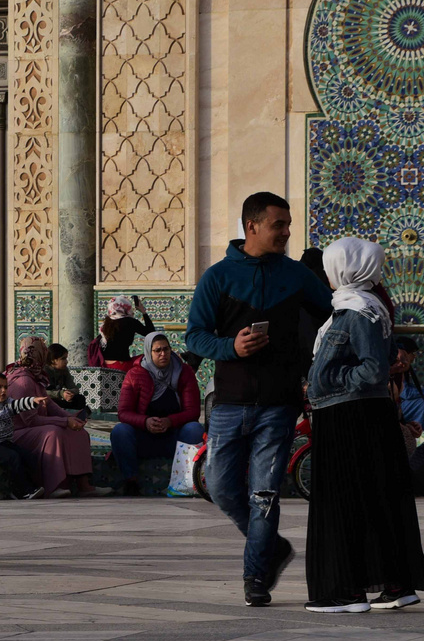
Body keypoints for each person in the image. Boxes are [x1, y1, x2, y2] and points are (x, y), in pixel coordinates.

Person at [186, 191, 333, 608]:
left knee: (265, 493)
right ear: (252, 227)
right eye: (279, 225)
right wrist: (232, 346)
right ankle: (272, 548)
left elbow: (330, 317)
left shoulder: (296, 275)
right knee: (218, 485)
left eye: (287, 225)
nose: (287, 233)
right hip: (230, 403)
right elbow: (195, 335)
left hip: (279, 402)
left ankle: (255, 577)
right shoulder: (217, 277)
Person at [303, 237, 424, 612]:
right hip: (354, 413)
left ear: (345, 268)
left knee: (344, 501)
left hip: (348, 415)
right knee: (373, 498)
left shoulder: (358, 311)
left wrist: (328, 381)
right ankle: (394, 584)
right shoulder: (360, 307)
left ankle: (346, 592)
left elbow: (373, 368)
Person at [5, 337, 105, 497]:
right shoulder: (23, 381)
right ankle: (53, 486)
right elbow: (30, 420)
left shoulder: (35, 377)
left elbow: (49, 404)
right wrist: (65, 421)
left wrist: (72, 419)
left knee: (78, 432)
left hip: (31, 429)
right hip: (17, 433)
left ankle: (84, 485)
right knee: (53, 432)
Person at [112, 331, 205, 496]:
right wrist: (145, 421)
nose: (163, 354)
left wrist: (170, 421)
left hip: (174, 437)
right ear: (149, 351)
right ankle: (131, 481)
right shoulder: (135, 374)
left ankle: (186, 480)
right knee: (120, 431)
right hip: (144, 437)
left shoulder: (183, 372)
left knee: (194, 429)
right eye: (157, 350)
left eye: (166, 349)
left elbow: (193, 411)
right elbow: (124, 412)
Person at [96, 295, 154, 370]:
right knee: (147, 359)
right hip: (121, 364)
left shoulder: (106, 322)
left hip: (104, 365)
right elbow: (151, 332)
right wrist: (143, 311)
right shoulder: (130, 322)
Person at [44, 343, 87, 410]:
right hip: (48, 400)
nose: (66, 362)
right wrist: (60, 394)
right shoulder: (44, 371)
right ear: (53, 360)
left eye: (66, 358)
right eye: (63, 359)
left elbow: (74, 388)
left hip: (60, 398)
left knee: (80, 399)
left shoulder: (64, 370)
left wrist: (68, 393)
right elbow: (42, 392)